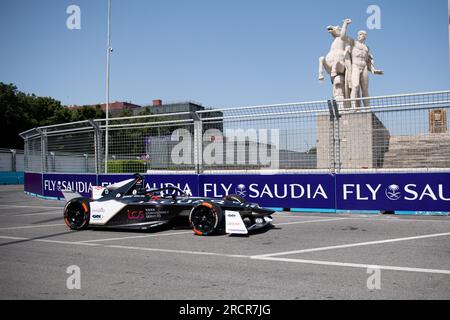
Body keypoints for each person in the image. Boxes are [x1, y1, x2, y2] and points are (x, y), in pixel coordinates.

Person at [350, 30, 384, 108]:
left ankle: (367, 108)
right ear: (358, 35)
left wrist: (373, 70)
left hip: (364, 67)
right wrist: (345, 24)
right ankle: (353, 107)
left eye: (365, 34)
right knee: (355, 86)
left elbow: (368, 61)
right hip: (355, 65)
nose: (363, 35)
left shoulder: (367, 47)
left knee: (365, 88)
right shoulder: (353, 43)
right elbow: (343, 37)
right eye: (361, 34)